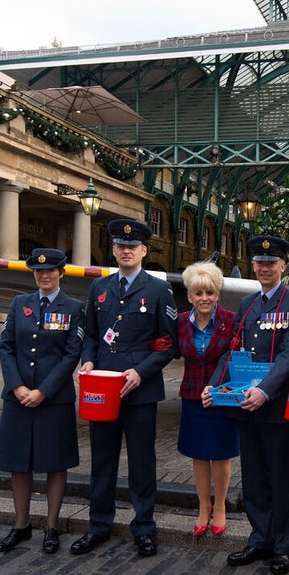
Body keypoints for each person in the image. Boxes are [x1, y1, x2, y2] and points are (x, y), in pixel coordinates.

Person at [72, 219, 178, 557]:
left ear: (144, 250)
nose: (126, 250)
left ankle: (144, 526)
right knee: (102, 459)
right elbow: (90, 335)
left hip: (140, 390)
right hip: (102, 388)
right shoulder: (99, 288)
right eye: (120, 246)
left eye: (132, 246)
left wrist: (140, 372)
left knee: (142, 461)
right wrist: (87, 361)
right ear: (114, 250)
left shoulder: (158, 290)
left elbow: (166, 344)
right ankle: (98, 524)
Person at [207, 235, 289, 575]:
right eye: (259, 263)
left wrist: (265, 391)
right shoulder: (248, 304)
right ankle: (259, 537)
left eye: (272, 263)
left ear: (283, 266)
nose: (265, 268)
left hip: (275, 406)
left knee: (280, 478)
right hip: (244, 407)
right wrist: (214, 384)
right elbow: (233, 350)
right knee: (252, 478)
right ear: (254, 266)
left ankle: (282, 546)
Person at [0, 248, 85, 553]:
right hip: (18, 398)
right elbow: (6, 347)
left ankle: (52, 526)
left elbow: (71, 354)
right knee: (20, 463)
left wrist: (43, 391)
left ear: (61, 273)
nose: (44, 276)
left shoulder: (73, 308)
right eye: (39, 272)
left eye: (51, 271)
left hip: (53, 399)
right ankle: (21, 525)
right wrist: (17, 387)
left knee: (55, 464)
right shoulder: (20, 304)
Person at [176, 260, 239, 537]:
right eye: (199, 293)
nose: (205, 299)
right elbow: (164, 350)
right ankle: (204, 506)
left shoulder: (230, 320)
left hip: (221, 397)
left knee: (221, 453)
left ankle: (221, 505)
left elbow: (233, 356)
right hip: (192, 396)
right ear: (189, 295)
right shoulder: (179, 323)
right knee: (199, 454)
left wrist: (215, 387)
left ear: (218, 295)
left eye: (210, 293)